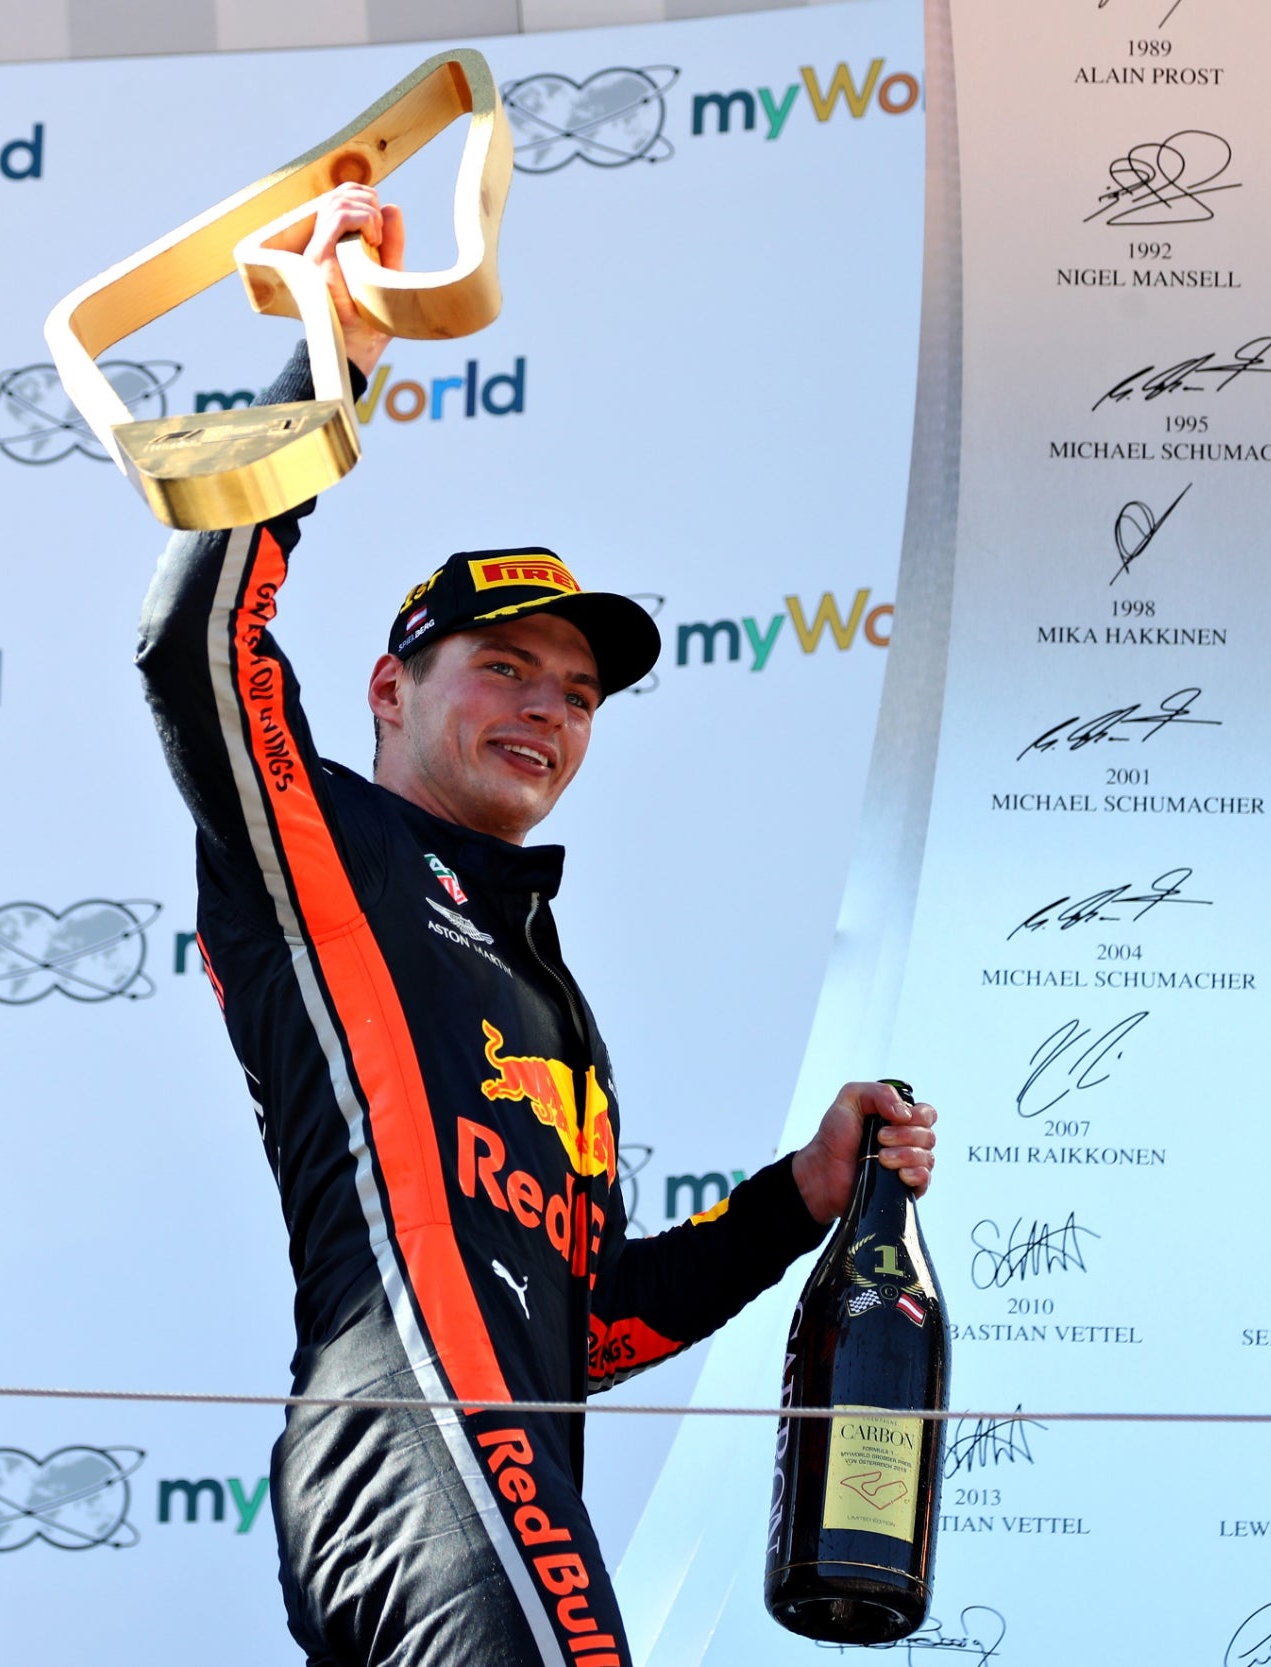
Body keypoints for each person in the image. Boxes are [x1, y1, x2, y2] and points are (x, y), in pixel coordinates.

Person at [135, 182, 939, 1667]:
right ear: (390, 692)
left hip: (496, 1453)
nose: (547, 711)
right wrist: (331, 351)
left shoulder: (545, 986)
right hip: (414, 1438)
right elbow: (192, 636)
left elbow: (591, 1331)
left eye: (576, 694)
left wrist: (797, 1200)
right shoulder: (333, 848)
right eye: (504, 669)